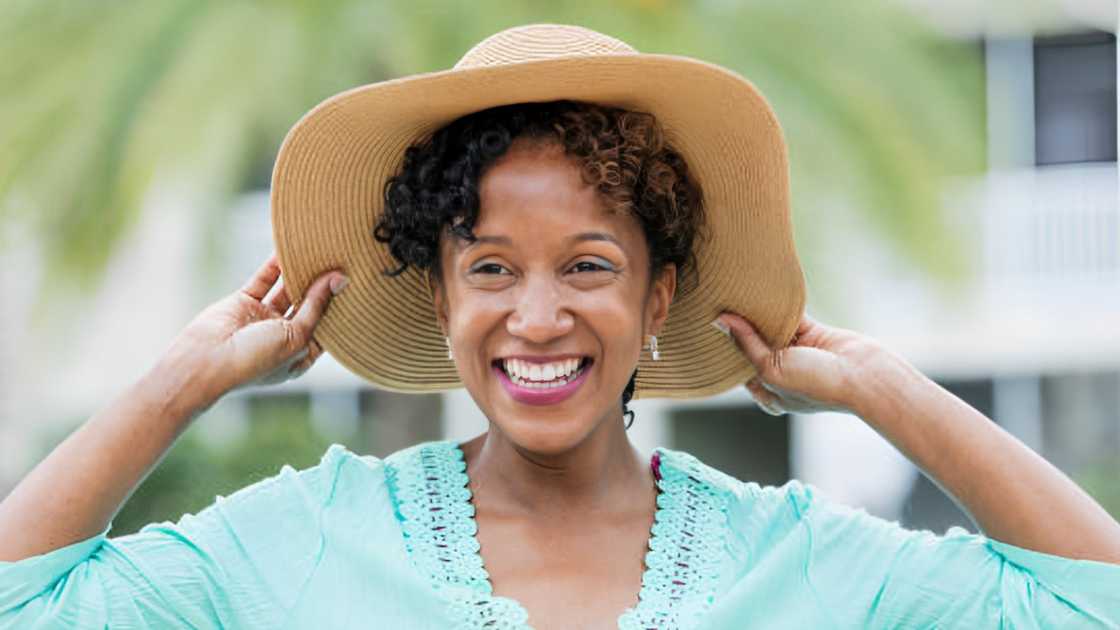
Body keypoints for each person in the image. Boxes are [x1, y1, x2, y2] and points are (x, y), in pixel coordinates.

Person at [2, 23, 1119, 630]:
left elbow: (1092, 600)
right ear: (439, 299)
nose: (537, 319)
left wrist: (884, 386)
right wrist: (181, 384)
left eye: (589, 266)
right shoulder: (305, 538)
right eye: (489, 267)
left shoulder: (797, 561)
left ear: (658, 296)